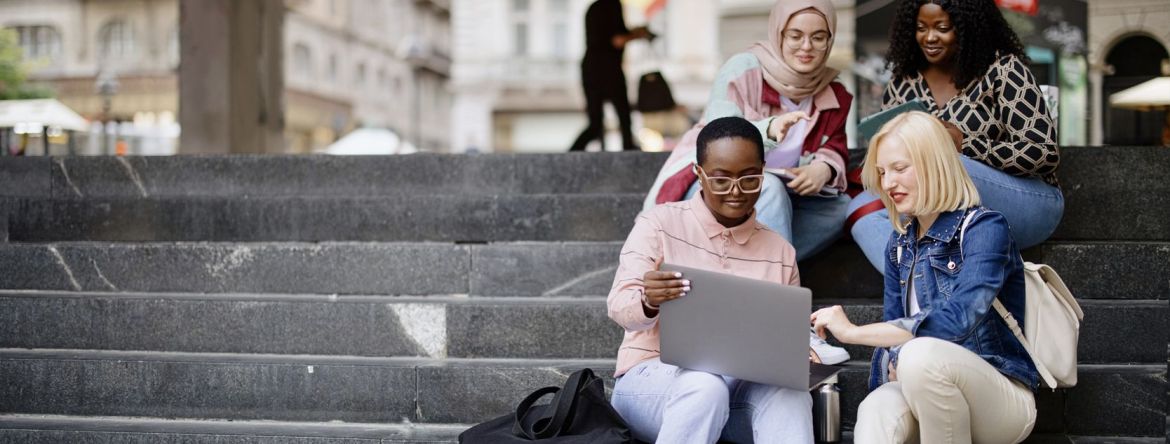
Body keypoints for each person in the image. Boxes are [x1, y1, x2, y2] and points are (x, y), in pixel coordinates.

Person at [811, 112, 1038, 444]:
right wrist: (895, 355)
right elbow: (895, 331)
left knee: (919, 356)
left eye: (900, 169)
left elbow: (957, 319)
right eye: (882, 172)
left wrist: (852, 332)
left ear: (935, 163)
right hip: (925, 386)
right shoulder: (899, 244)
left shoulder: (986, 229)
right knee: (877, 408)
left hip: (1000, 398)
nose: (888, 184)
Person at [608, 116, 818, 444]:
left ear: (763, 171)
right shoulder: (658, 224)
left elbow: (785, 339)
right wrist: (648, 301)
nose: (736, 192)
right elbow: (620, 307)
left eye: (750, 179)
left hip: (738, 388)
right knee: (704, 386)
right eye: (721, 180)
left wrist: (802, 352)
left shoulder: (780, 252)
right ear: (698, 174)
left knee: (791, 396)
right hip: (652, 382)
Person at [848, 0, 1062, 272]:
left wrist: (965, 144)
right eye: (921, 28)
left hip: (1029, 202)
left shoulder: (1004, 69)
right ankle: (923, 283)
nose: (930, 37)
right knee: (861, 209)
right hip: (933, 203)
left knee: (943, 164)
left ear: (966, 27)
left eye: (942, 28)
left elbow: (1044, 153)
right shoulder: (902, 84)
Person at [643, 0, 852, 262]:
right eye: (795, 36)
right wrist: (769, 130)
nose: (807, 46)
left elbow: (834, 144)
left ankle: (738, 262)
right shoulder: (744, 69)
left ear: (830, 40)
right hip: (717, 185)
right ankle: (772, 282)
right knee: (770, 187)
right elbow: (718, 137)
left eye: (818, 37)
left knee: (843, 208)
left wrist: (824, 168)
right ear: (779, 34)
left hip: (783, 198)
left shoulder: (835, 93)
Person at [568, 0, 652, 152]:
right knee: (623, 117)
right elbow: (617, 40)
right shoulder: (612, 5)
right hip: (607, 68)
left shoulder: (594, 7)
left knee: (595, 123)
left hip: (591, 68)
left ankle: (570, 155)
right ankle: (629, 153)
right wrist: (638, 34)